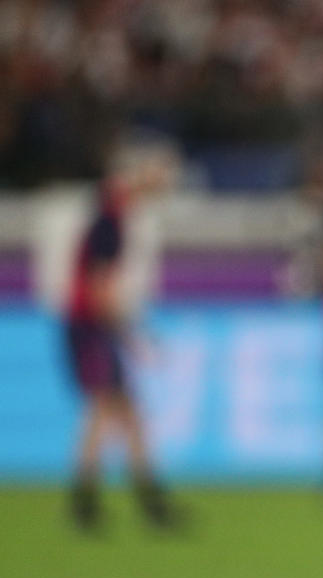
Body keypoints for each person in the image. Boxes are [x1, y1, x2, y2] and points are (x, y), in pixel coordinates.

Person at [65, 140, 179, 530]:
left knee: (124, 411)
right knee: (105, 409)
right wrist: (130, 336)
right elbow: (100, 291)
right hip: (91, 326)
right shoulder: (110, 224)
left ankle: (142, 501)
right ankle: (91, 502)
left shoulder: (108, 218)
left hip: (89, 324)